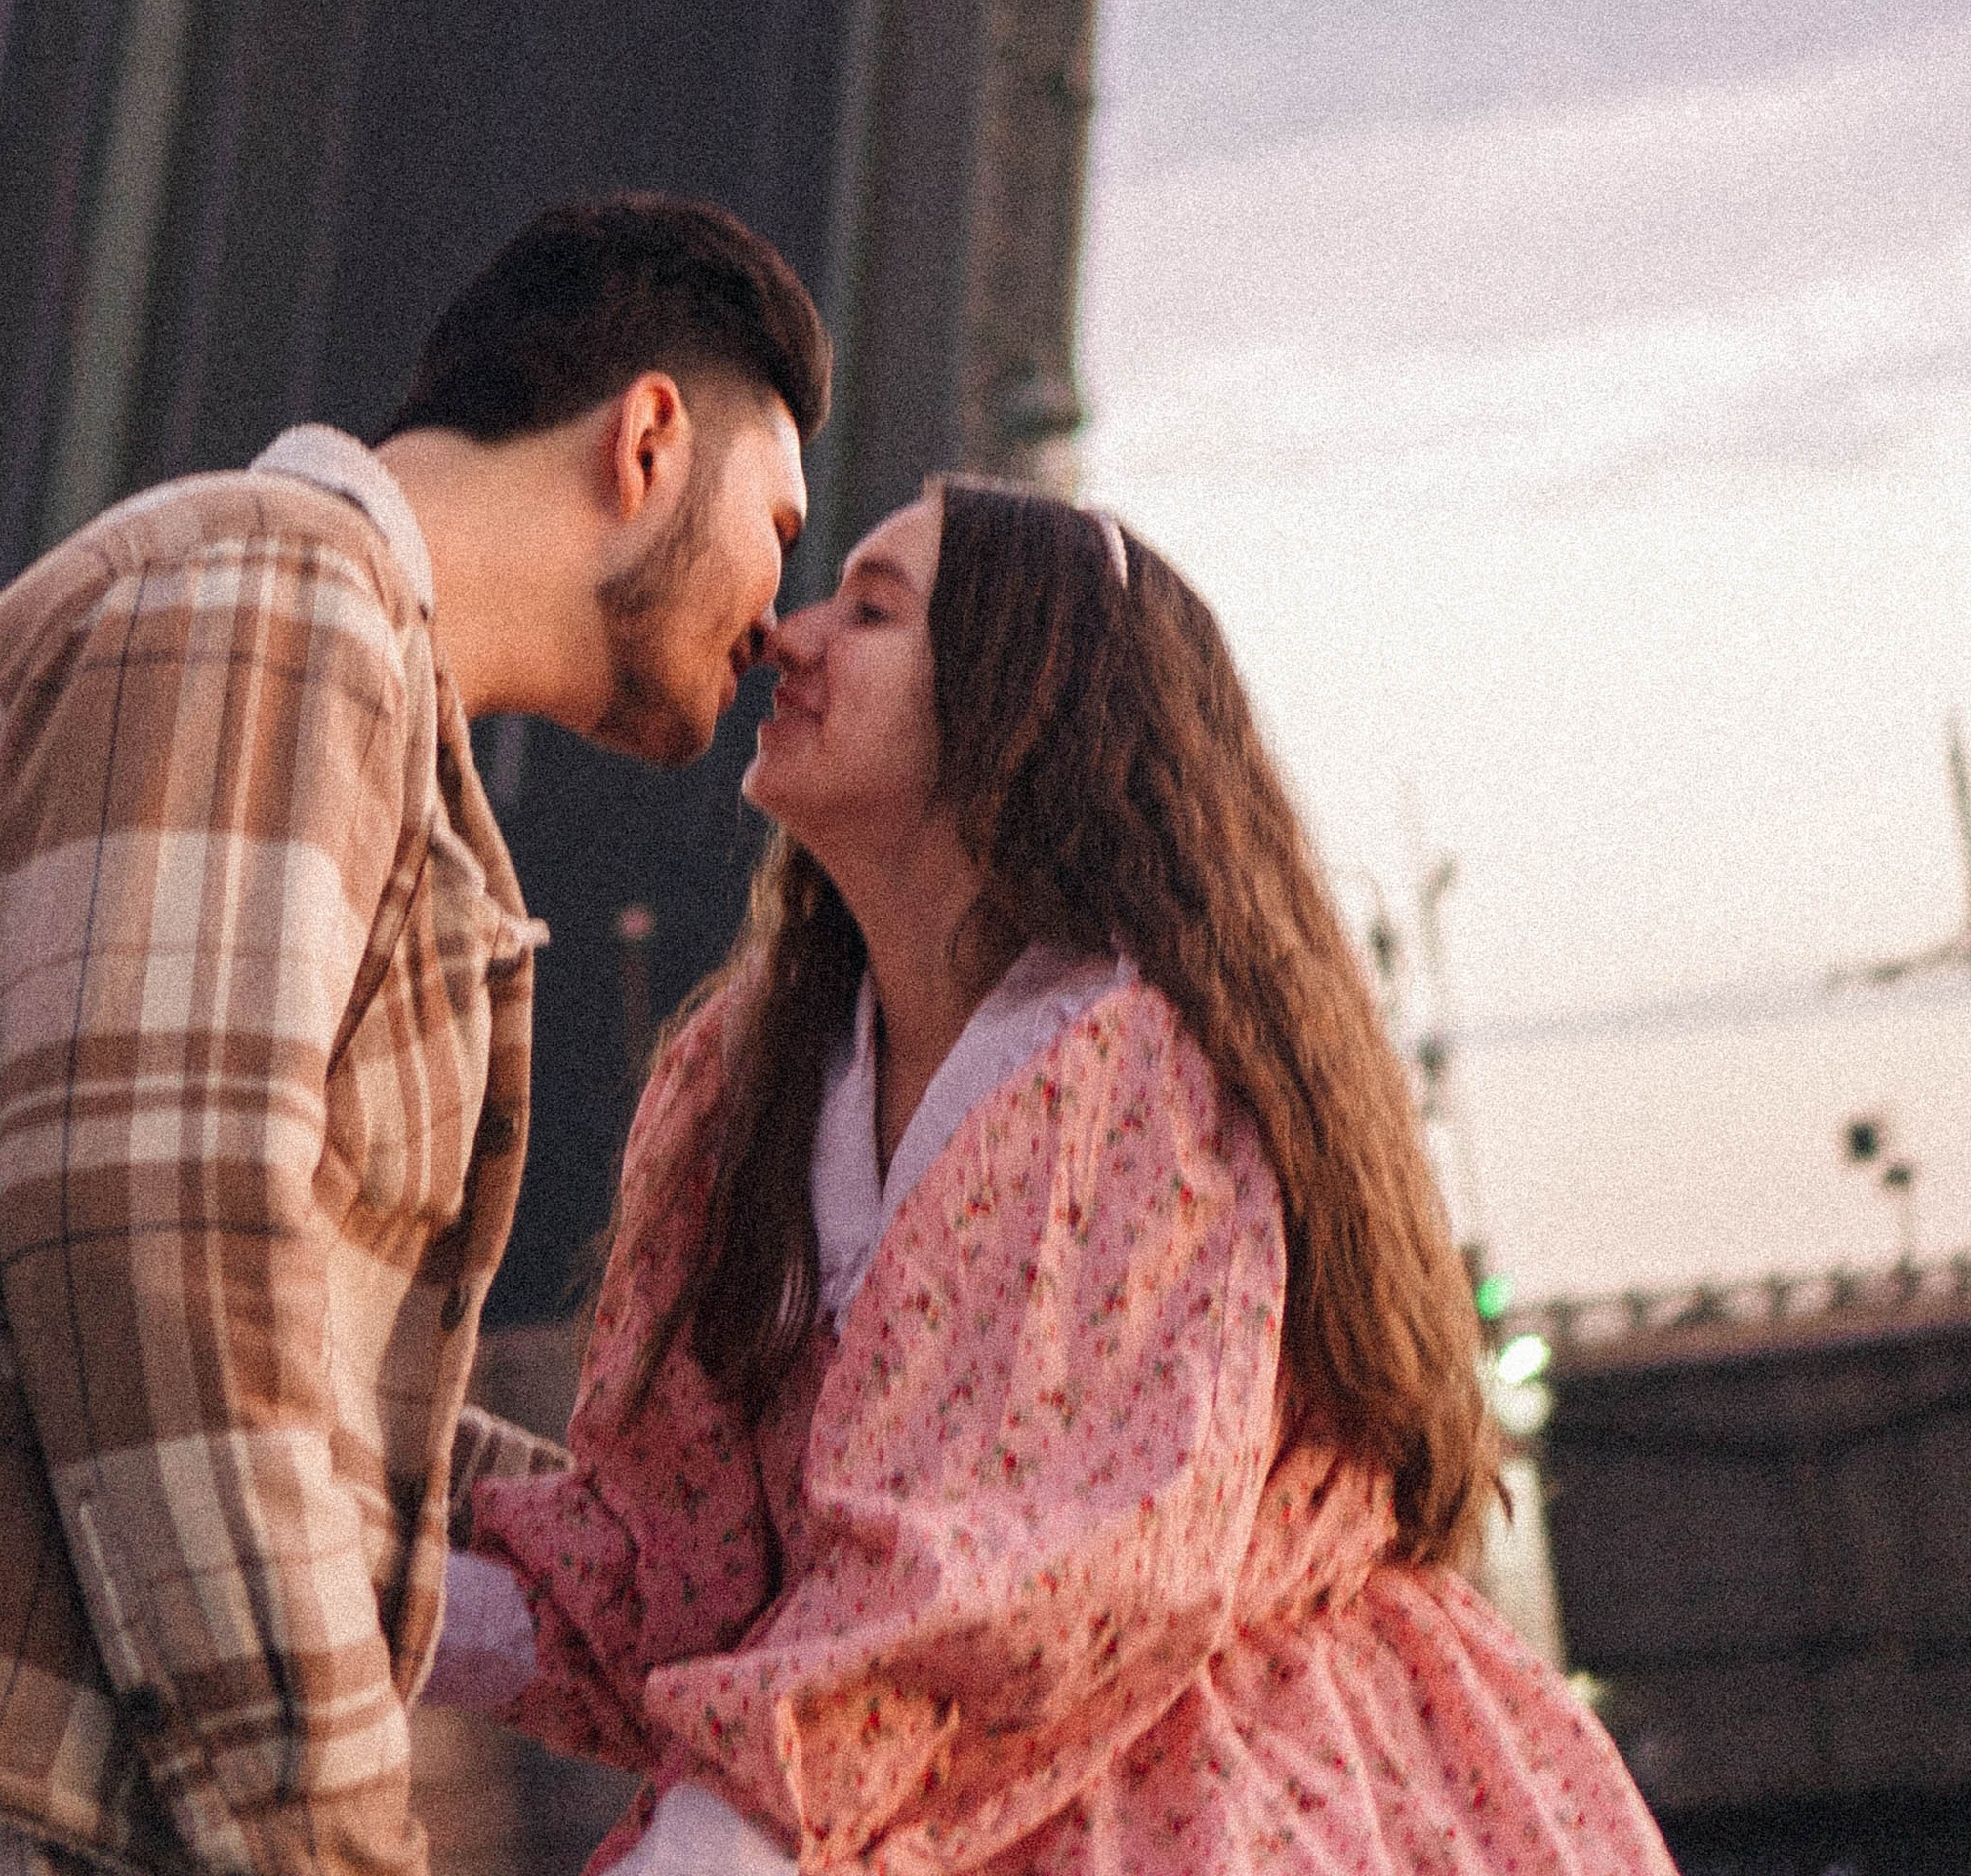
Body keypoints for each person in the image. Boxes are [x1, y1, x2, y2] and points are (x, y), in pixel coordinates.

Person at [0, 195, 826, 1876]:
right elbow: (164, 1264)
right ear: (652, 440)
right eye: (781, 523)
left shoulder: (335, 664)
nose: (780, 614)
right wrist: (323, 1841)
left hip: (16, 1725)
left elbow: (277, 1333)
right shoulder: (272, 594)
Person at [442, 478, 1671, 1876]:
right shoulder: (740, 1081)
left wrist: (724, 1841)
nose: (791, 635)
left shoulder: (1141, 1065)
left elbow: (1045, 1573)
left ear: (1020, 704)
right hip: (856, 1804)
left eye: (875, 609)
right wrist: (344, 1604)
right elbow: (678, 1569)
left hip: (1220, 1784)